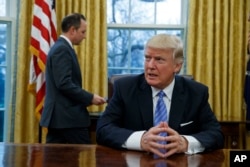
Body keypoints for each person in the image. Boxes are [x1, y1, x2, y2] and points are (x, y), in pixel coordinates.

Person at [96, 34, 224, 158]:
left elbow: (216, 134)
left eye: (159, 59)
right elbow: (103, 129)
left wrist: (185, 142)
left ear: (177, 66)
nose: (150, 66)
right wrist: (140, 140)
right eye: (147, 58)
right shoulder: (125, 88)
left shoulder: (196, 93)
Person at [40, 13, 106, 144]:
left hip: (61, 119)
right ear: (72, 30)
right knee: (82, 156)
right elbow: (64, 84)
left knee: (55, 159)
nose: (85, 36)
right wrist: (90, 97)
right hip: (67, 119)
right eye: (83, 32)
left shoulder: (61, 47)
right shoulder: (62, 49)